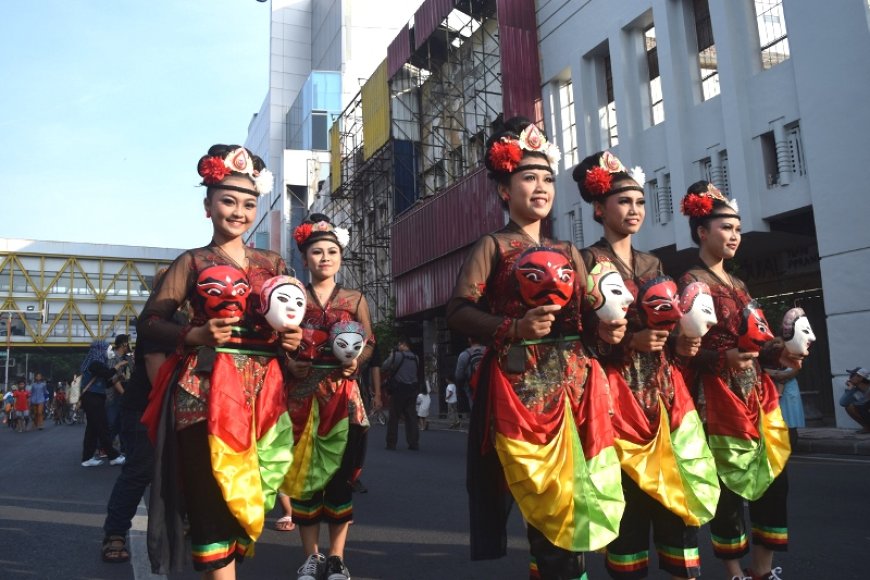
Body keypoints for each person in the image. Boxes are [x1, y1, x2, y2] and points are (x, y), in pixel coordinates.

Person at [446, 115, 627, 579]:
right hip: (522, 394)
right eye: (529, 177)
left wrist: (608, 332)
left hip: (578, 391)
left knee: (580, 501)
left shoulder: (571, 252)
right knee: (544, 510)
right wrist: (514, 327)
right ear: (505, 190)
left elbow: (589, 316)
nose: (541, 186)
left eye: (547, 178)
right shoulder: (494, 245)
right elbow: (459, 312)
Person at [139, 144, 301, 577]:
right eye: (227, 201)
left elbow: (290, 323)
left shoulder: (273, 264)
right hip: (204, 394)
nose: (239, 212)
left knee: (251, 495)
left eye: (249, 203)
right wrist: (192, 333)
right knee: (211, 503)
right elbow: (149, 324)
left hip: (264, 395)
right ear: (207, 206)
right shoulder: (191, 262)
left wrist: (292, 338)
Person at [573, 151, 719, 580]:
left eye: (639, 202)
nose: (634, 210)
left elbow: (669, 329)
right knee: (631, 507)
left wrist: (683, 344)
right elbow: (579, 335)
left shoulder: (654, 263)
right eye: (623, 202)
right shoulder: (585, 262)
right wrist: (624, 342)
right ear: (600, 208)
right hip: (615, 400)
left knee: (677, 500)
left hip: (663, 395)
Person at [677, 181, 804, 580]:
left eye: (737, 229)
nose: (734, 236)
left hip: (757, 397)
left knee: (774, 480)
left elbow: (759, 342)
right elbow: (681, 348)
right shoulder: (690, 282)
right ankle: (733, 572)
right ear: (702, 232)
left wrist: (782, 352)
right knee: (728, 490)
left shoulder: (740, 285)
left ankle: (763, 570)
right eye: (725, 227)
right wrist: (723, 358)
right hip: (716, 398)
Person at [282, 213, 374, 580]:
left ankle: (336, 556)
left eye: (331, 251)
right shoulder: (292, 295)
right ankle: (311, 556)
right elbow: (278, 340)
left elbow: (368, 343)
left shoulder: (355, 298)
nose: (324, 257)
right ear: (304, 258)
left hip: (343, 398)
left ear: (340, 257)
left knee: (339, 479)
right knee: (305, 478)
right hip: (301, 399)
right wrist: (289, 361)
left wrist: (357, 365)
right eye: (316, 252)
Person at [79, 340, 126, 466]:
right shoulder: (95, 363)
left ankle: (87, 458)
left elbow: (107, 382)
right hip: (92, 399)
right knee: (102, 427)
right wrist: (118, 366)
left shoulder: (97, 364)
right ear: (100, 350)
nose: (109, 352)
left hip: (94, 398)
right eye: (108, 349)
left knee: (93, 429)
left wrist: (117, 378)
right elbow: (107, 373)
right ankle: (113, 456)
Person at [381, 338, 421, 451]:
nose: (398, 346)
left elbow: (384, 366)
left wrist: (391, 355)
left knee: (393, 417)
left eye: (399, 344)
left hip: (399, 389)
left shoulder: (397, 356)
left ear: (404, 344)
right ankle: (414, 443)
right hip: (412, 389)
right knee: (411, 417)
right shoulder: (416, 358)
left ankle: (391, 443)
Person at [106, 335, 132, 452]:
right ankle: (103, 446)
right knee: (112, 423)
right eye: (128, 343)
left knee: (122, 423)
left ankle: (123, 448)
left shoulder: (126, 359)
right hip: (112, 396)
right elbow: (113, 379)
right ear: (123, 344)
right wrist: (125, 394)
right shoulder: (113, 358)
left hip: (123, 395)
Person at [455, 337, 484, 413]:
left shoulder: (464, 355)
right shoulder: (488, 351)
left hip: (472, 387)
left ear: (469, 340)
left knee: (475, 409)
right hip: (487, 384)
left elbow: (459, 376)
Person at [839, 367, 870, 433]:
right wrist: (850, 388)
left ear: (860, 378)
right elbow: (843, 403)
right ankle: (867, 428)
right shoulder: (855, 390)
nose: (850, 377)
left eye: (852, 375)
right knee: (849, 407)